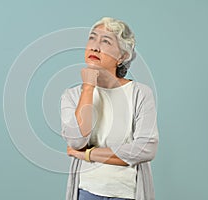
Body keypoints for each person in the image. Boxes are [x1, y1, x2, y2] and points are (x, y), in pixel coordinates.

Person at [60, 17, 159, 200]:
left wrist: (87, 154)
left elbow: (145, 149)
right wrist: (88, 87)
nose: (95, 47)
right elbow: (76, 142)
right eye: (92, 38)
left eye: (106, 41)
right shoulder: (72, 95)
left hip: (126, 193)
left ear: (122, 56)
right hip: (86, 192)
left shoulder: (140, 94)